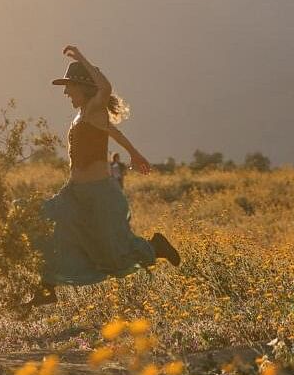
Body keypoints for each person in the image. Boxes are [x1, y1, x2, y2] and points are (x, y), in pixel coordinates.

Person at [24, 46, 180, 308]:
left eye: (69, 86)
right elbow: (113, 133)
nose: (65, 92)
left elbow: (105, 88)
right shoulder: (83, 115)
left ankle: (156, 247)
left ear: (84, 87)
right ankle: (46, 287)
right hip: (74, 192)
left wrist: (82, 59)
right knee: (43, 220)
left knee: (112, 258)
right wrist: (135, 153)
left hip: (99, 194)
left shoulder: (96, 106)